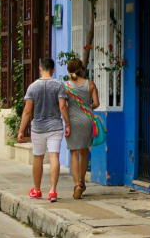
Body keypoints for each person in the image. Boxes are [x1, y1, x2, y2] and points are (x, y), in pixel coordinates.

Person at [17, 58, 70, 202]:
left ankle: (37, 190)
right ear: (53, 70)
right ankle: (52, 191)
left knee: (38, 157)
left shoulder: (32, 87)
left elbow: (27, 111)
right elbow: (63, 106)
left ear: (40, 68)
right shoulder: (59, 85)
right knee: (54, 157)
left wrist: (21, 131)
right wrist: (67, 124)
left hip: (38, 128)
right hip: (55, 127)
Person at [63, 58, 99, 199]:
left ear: (69, 71)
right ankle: (82, 181)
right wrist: (89, 106)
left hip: (73, 121)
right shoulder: (90, 84)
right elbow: (96, 103)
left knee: (74, 152)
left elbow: (62, 105)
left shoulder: (66, 87)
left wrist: (67, 123)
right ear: (81, 70)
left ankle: (76, 184)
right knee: (84, 152)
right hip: (87, 121)